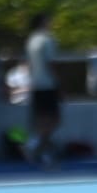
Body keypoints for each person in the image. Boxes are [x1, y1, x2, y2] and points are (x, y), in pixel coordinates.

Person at [24, 12, 61, 165]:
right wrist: (58, 82)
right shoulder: (47, 40)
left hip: (36, 84)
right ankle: (36, 145)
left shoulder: (31, 41)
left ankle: (40, 148)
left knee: (41, 119)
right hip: (47, 84)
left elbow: (29, 64)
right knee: (53, 119)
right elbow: (50, 63)